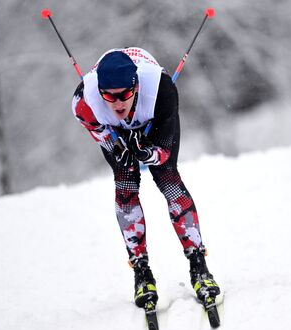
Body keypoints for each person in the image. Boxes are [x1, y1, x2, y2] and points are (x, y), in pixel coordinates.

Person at [72, 47, 220, 308]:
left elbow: (162, 153)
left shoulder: (161, 90)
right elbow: (102, 136)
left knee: (168, 179)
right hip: (115, 131)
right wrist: (120, 145)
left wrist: (148, 152)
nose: (118, 103)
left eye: (125, 95)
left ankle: (199, 265)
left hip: (153, 119)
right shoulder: (84, 102)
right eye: (109, 96)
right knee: (125, 184)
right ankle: (141, 271)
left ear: (137, 87)